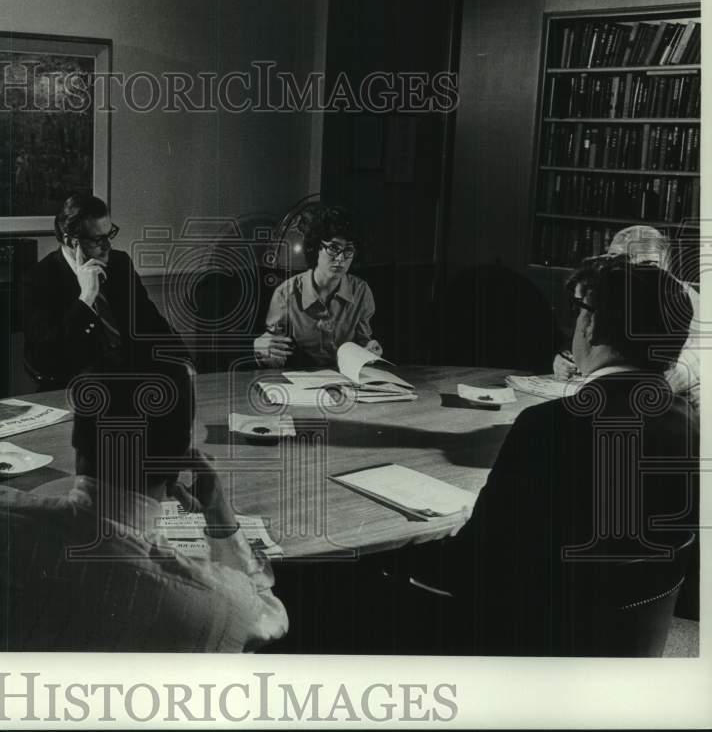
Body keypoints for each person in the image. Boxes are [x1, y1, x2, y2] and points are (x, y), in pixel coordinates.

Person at [0, 364, 288, 651]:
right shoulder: (218, 602)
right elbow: (270, 618)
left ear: (76, 436)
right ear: (182, 460)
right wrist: (221, 520)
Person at [419, 255, 697, 654]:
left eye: (580, 308)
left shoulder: (547, 425)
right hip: (629, 642)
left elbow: (473, 562)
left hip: (529, 640)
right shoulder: (689, 426)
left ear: (591, 323)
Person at [22, 193, 189, 387]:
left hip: (133, 385)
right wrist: (85, 298)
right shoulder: (38, 278)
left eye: (109, 235)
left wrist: (182, 360)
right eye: (97, 240)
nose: (107, 246)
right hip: (75, 390)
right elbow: (44, 358)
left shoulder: (119, 263)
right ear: (70, 241)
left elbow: (151, 322)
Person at [552, 225, 699, 410]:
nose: (633, 272)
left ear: (665, 264)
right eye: (621, 262)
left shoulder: (680, 299)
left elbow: (684, 370)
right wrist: (567, 360)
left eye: (646, 264)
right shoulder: (607, 295)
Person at [254, 204, 382, 368]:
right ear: (316, 248)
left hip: (345, 382)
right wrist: (262, 349)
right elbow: (275, 353)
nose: (340, 258)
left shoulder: (361, 291)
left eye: (348, 250)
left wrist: (370, 351)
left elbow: (363, 343)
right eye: (333, 248)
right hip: (302, 380)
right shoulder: (286, 293)